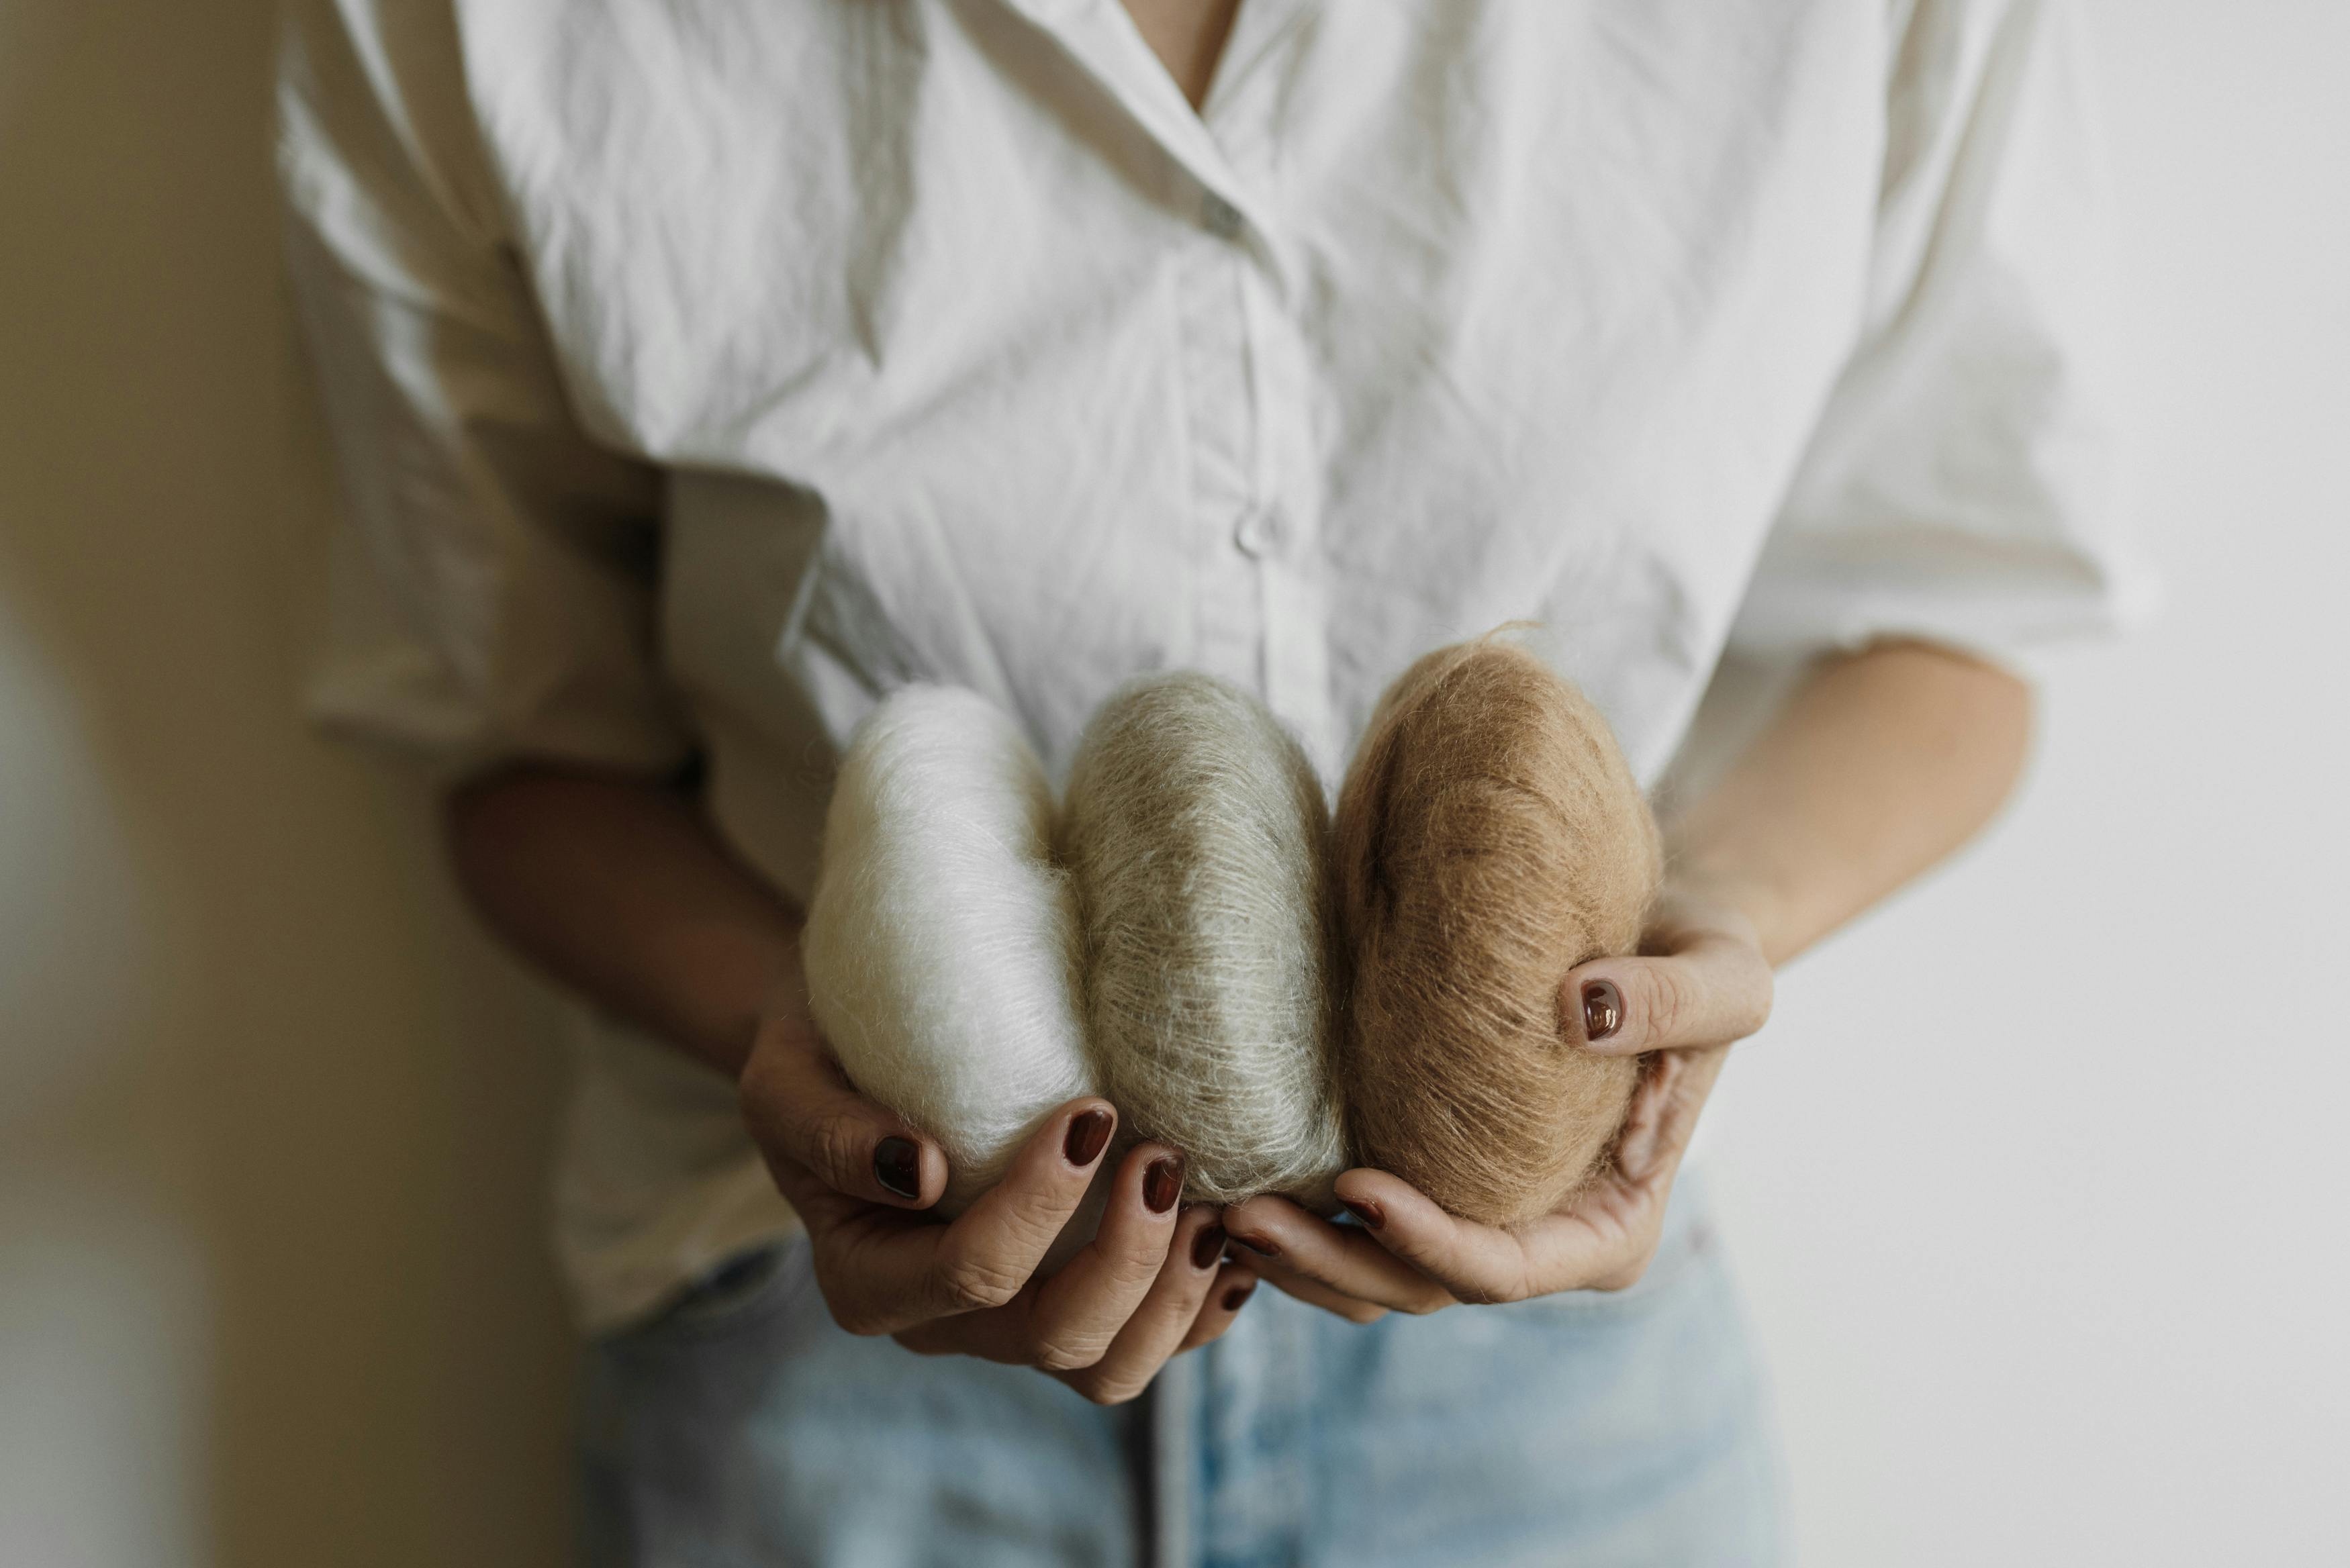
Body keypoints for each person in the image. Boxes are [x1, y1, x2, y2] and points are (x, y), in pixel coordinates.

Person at [277, 0, 2145, 1561]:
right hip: (834, 1382)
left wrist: (1697, 943)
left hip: (1545, 1390)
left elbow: (1954, 611)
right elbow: (527, 748)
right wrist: (804, 1029)